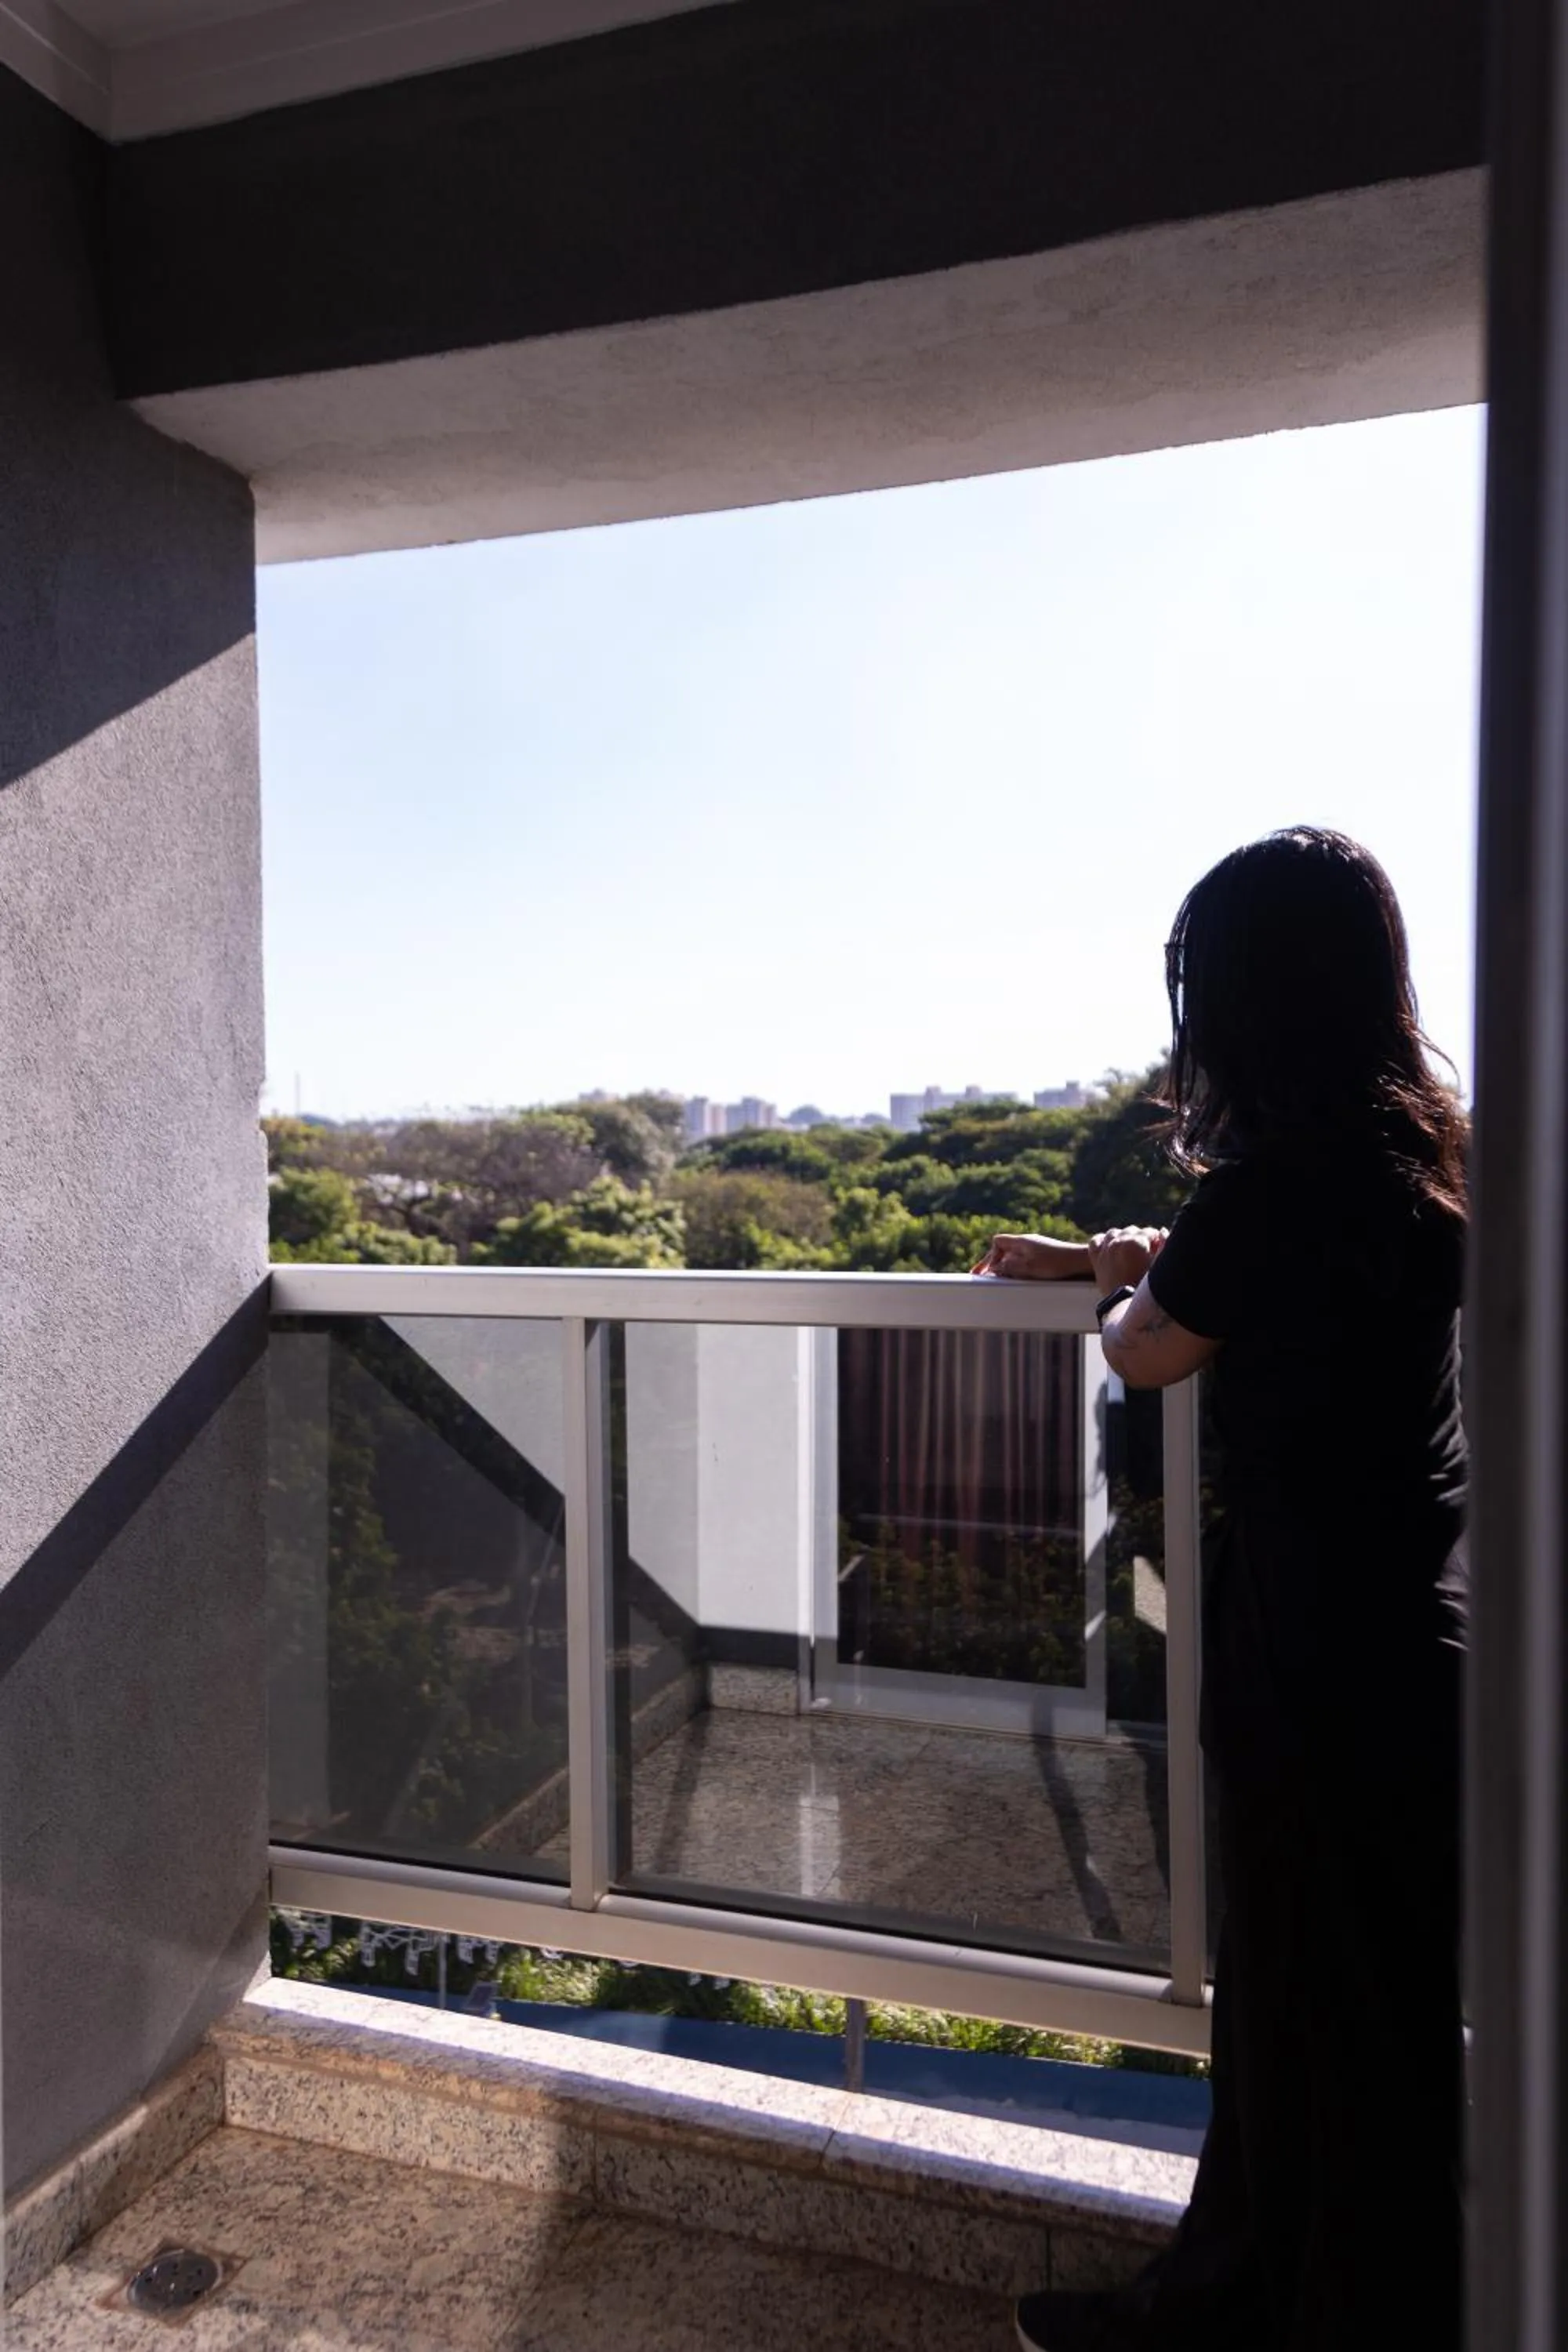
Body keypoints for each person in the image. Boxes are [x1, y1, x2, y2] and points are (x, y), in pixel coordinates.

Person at [974, 828, 1468, 2352]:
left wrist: (1123, 1280)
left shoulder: (1271, 1195)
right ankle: (1305, 2302)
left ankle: (1253, 2306)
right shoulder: (1422, 1162)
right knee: (1374, 2006)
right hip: (1419, 1626)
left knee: (1290, 1994)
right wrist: (1153, 1254)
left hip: (1301, 1641)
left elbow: (1144, 1347)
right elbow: (1241, 1286)